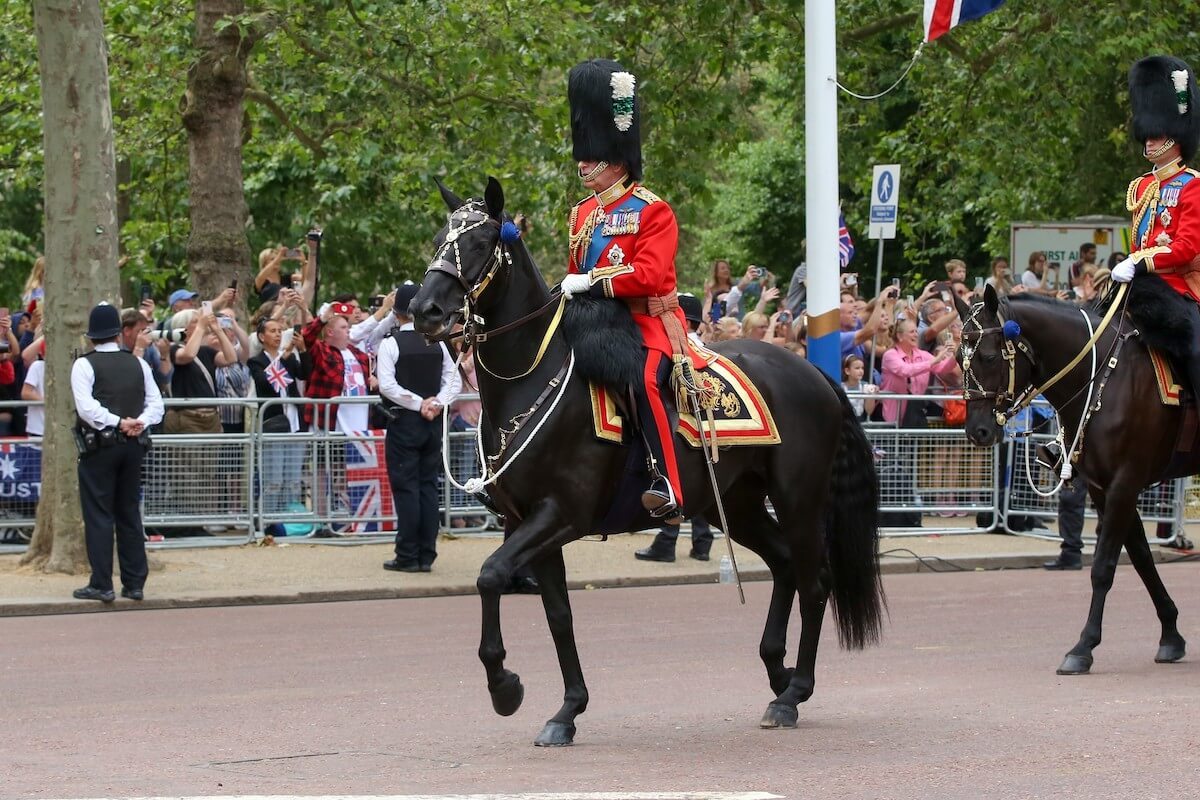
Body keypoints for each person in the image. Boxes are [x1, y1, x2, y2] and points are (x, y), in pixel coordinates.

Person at [558, 58, 691, 523]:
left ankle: (668, 484)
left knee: (645, 382)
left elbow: (650, 276)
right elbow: (575, 273)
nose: (583, 163)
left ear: (616, 157)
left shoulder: (653, 210)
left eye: (591, 156)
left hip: (646, 322)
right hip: (594, 324)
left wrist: (591, 281)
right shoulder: (580, 214)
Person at [1111, 56, 1200, 401]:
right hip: (1140, 286)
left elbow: (1186, 246)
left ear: (1175, 136)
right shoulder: (1142, 185)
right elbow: (1140, 239)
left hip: (1182, 288)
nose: (1148, 142)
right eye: (1145, 135)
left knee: (1194, 350)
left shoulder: (1192, 185)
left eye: (1156, 135)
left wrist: (1140, 262)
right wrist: (1133, 266)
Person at [70, 302, 164, 603]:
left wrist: (117, 422)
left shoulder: (84, 364)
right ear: (117, 333)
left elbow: (86, 408)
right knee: (128, 513)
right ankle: (135, 583)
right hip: (134, 446)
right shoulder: (137, 363)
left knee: (99, 515)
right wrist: (140, 422)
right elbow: (156, 405)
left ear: (91, 336)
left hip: (101, 446)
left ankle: (102, 583)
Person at [377, 284, 461, 572]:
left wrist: (418, 404)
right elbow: (454, 381)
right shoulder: (437, 343)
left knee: (407, 489)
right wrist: (435, 403)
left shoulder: (390, 343)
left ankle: (408, 554)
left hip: (404, 422)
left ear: (397, 312)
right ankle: (427, 553)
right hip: (432, 423)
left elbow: (387, 385)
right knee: (428, 487)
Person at [634, 293, 717, 562]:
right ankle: (701, 543)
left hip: (679, 420)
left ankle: (668, 541)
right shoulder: (697, 344)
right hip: (699, 424)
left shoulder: (681, 345)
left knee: (674, 476)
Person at [248, 318, 308, 536]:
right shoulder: (256, 361)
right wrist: (283, 356)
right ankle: (268, 522)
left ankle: (289, 523)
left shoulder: (290, 358)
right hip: (273, 424)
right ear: (262, 337)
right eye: (272, 331)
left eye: (280, 330)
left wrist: (302, 349)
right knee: (273, 479)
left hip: (294, 423)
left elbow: (305, 374)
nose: (277, 334)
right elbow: (264, 382)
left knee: (292, 479)